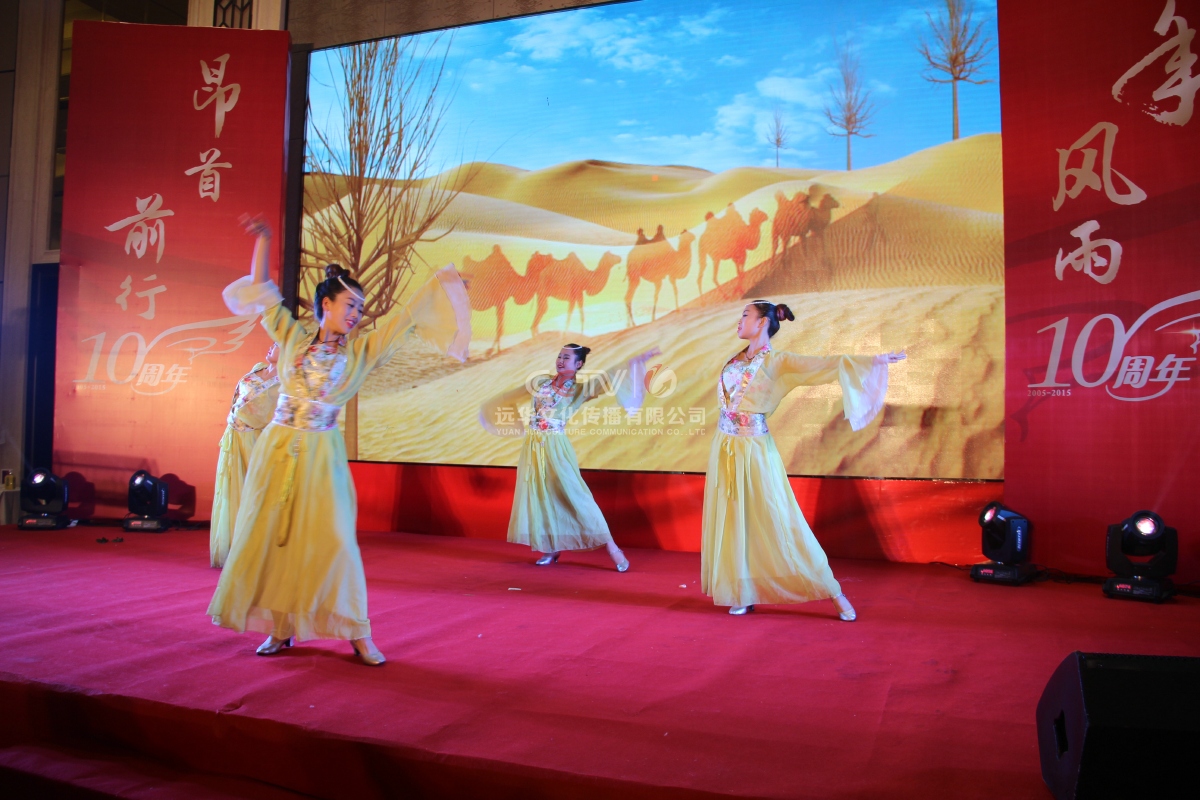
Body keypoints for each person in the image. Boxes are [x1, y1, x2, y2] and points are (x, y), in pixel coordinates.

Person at [207, 217, 470, 665]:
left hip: (322, 455)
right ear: (324, 304)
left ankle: (357, 632)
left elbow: (404, 319)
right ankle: (281, 626)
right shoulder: (292, 339)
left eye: (360, 309)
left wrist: (443, 286)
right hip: (277, 451)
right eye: (349, 305)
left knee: (334, 543)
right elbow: (264, 293)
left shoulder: (360, 352)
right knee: (273, 537)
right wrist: (264, 240)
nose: (355, 315)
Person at [702, 299, 905, 617]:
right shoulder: (737, 359)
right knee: (734, 518)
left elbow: (823, 364)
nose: (739, 321)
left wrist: (874, 361)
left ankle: (833, 591)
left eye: (745, 315)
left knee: (779, 516)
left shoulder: (777, 361)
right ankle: (742, 590)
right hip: (726, 446)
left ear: (763, 322)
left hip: (754, 449)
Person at [481, 343, 659, 571]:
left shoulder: (579, 390)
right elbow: (511, 396)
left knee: (577, 496)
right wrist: (494, 410)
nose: (561, 360)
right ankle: (551, 548)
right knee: (543, 496)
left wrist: (635, 361)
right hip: (534, 447)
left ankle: (613, 548)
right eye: (560, 356)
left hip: (556, 446)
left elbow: (608, 377)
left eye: (567, 358)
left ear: (579, 364)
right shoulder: (541, 382)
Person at [210, 344, 281, 567]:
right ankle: (233, 546)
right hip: (234, 435)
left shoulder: (287, 380)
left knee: (255, 490)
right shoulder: (257, 369)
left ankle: (256, 551)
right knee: (232, 487)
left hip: (257, 439)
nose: (271, 346)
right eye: (272, 342)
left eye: (278, 344)